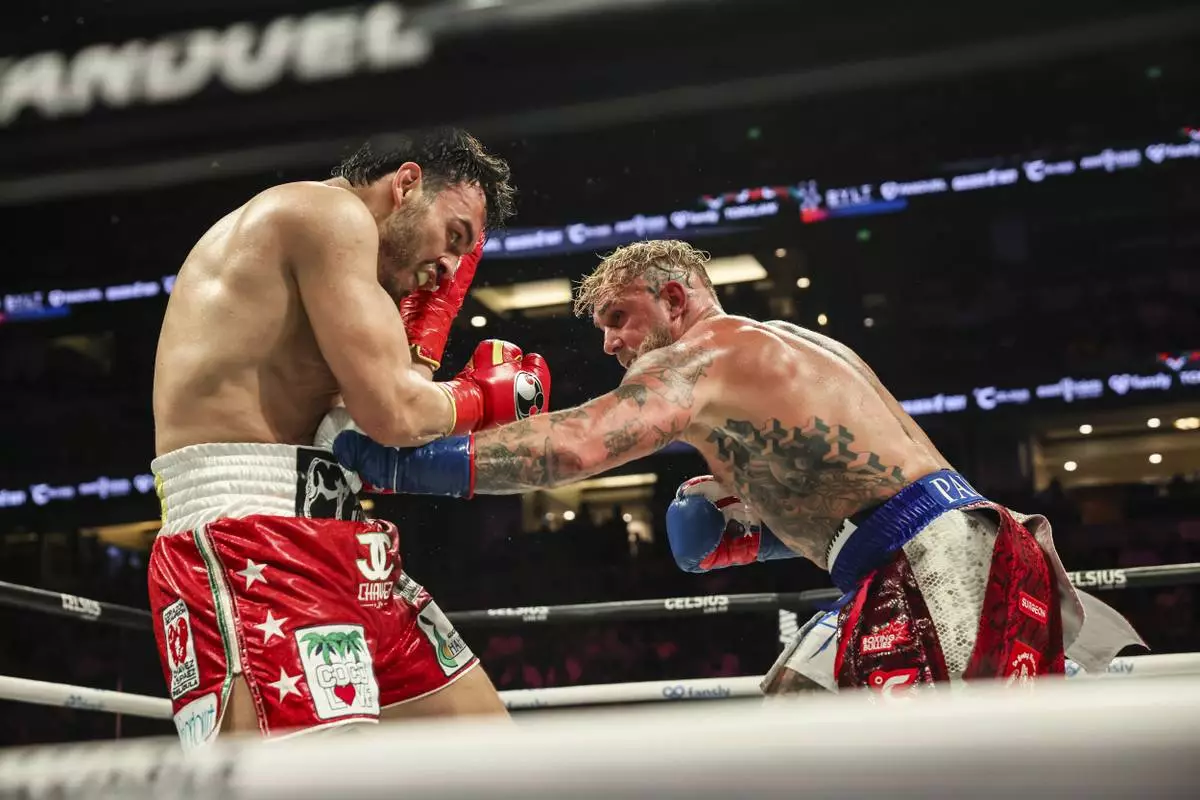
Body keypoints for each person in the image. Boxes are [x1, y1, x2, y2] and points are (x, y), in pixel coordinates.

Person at [321, 239, 1143, 697]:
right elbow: (870, 490)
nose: (611, 342)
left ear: (676, 300)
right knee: (792, 715)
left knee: (935, 772)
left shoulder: (703, 354)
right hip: (930, 553)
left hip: (938, 564)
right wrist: (754, 536)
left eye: (620, 317)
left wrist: (400, 462)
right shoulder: (795, 353)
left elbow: (573, 446)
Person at [149, 128, 551, 747]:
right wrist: (481, 397)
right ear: (407, 183)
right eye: (454, 235)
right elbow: (394, 411)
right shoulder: (325, 212)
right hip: (250, 535)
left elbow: (365, 429)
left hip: (346, 542)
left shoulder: (352, 270)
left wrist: (425, 338)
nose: (450, 267)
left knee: (492, 759)